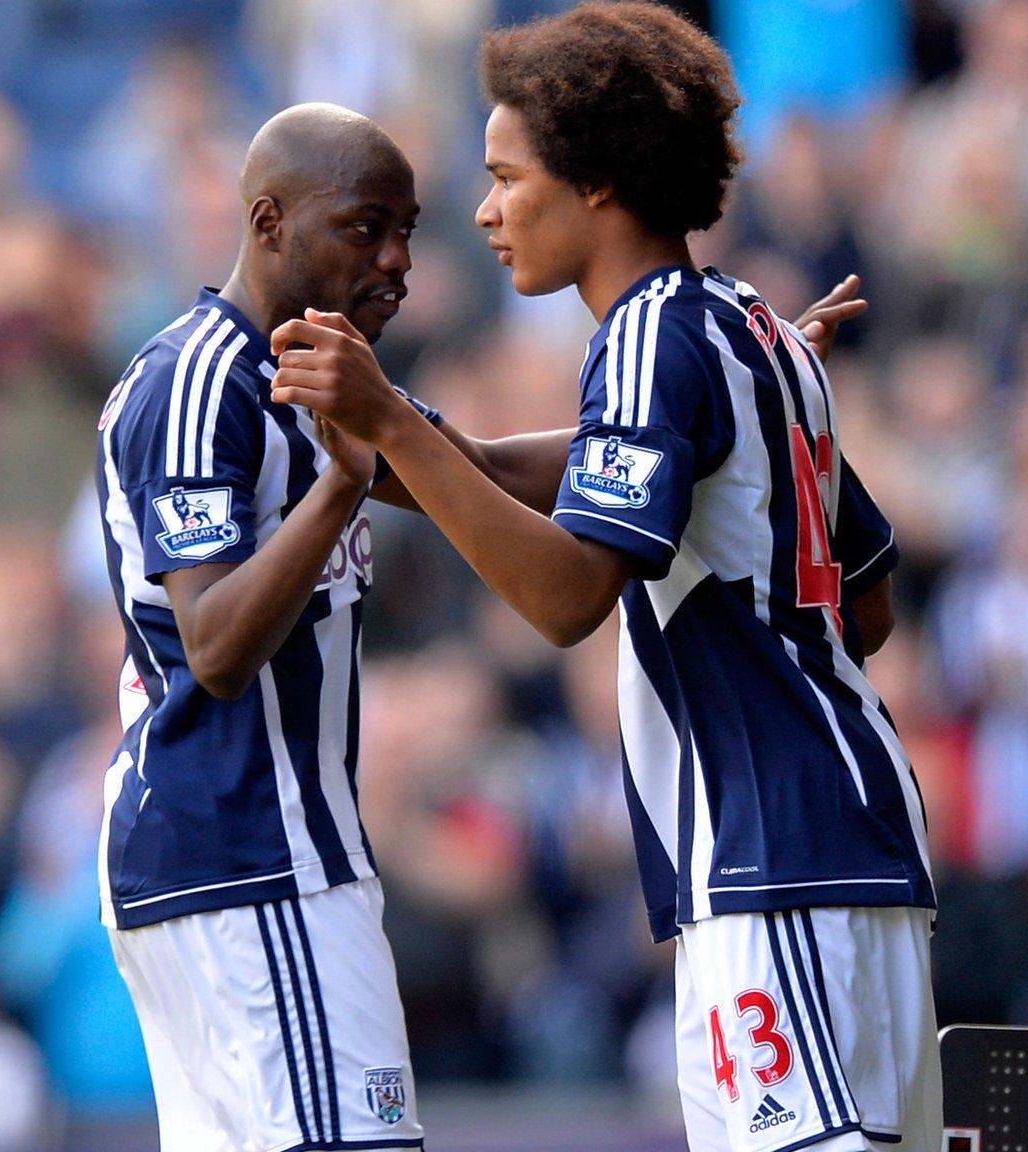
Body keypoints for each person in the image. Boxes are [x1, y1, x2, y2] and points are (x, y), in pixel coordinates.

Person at [267, 6, 939, 1152]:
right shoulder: (758, 332)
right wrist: (390, 440)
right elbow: (863, 602)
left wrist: (392, 420)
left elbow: (569, 596)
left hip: (768, 859)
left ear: (598, 186)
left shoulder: (644, 339)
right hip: (853, 842)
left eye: (505, 176)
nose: (483, 210)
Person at [94, 103, 435, 1152]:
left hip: (252, 862)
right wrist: (340, 492)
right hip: (249, 854)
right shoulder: (202, 383)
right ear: (269, 220)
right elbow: (217, 646)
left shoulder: (318, 374)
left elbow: (476, 471)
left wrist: (710, 409)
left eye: (408, 232)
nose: (396, 262)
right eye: (364, 227)